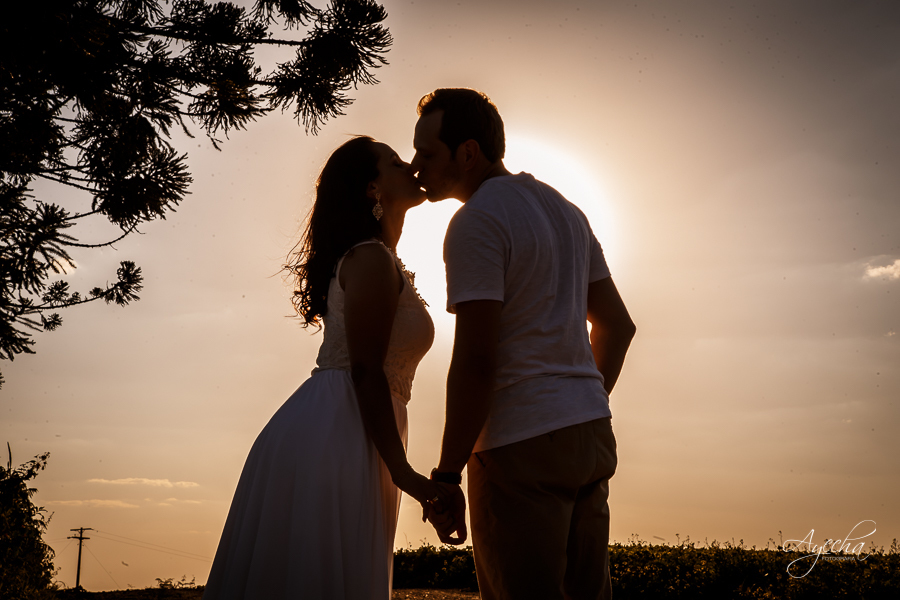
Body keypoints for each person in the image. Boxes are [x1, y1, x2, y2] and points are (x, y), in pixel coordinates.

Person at [413, 89, 636, 600]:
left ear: (468, 153)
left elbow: (476, 359)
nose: (416, 165)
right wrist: (578, 401)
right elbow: (617, 327)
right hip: (590, 434)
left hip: (520, 448)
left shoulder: (476, 222)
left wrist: (448, 474)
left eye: (427, 153)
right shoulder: (567, 211)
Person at [203, 136, 444, 600]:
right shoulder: (370, 259)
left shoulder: (380, 258)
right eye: (396, 162)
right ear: (373, 189)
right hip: (339, 433)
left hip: (352, 427)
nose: (411, 165)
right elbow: (367, 370)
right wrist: (405, 474)